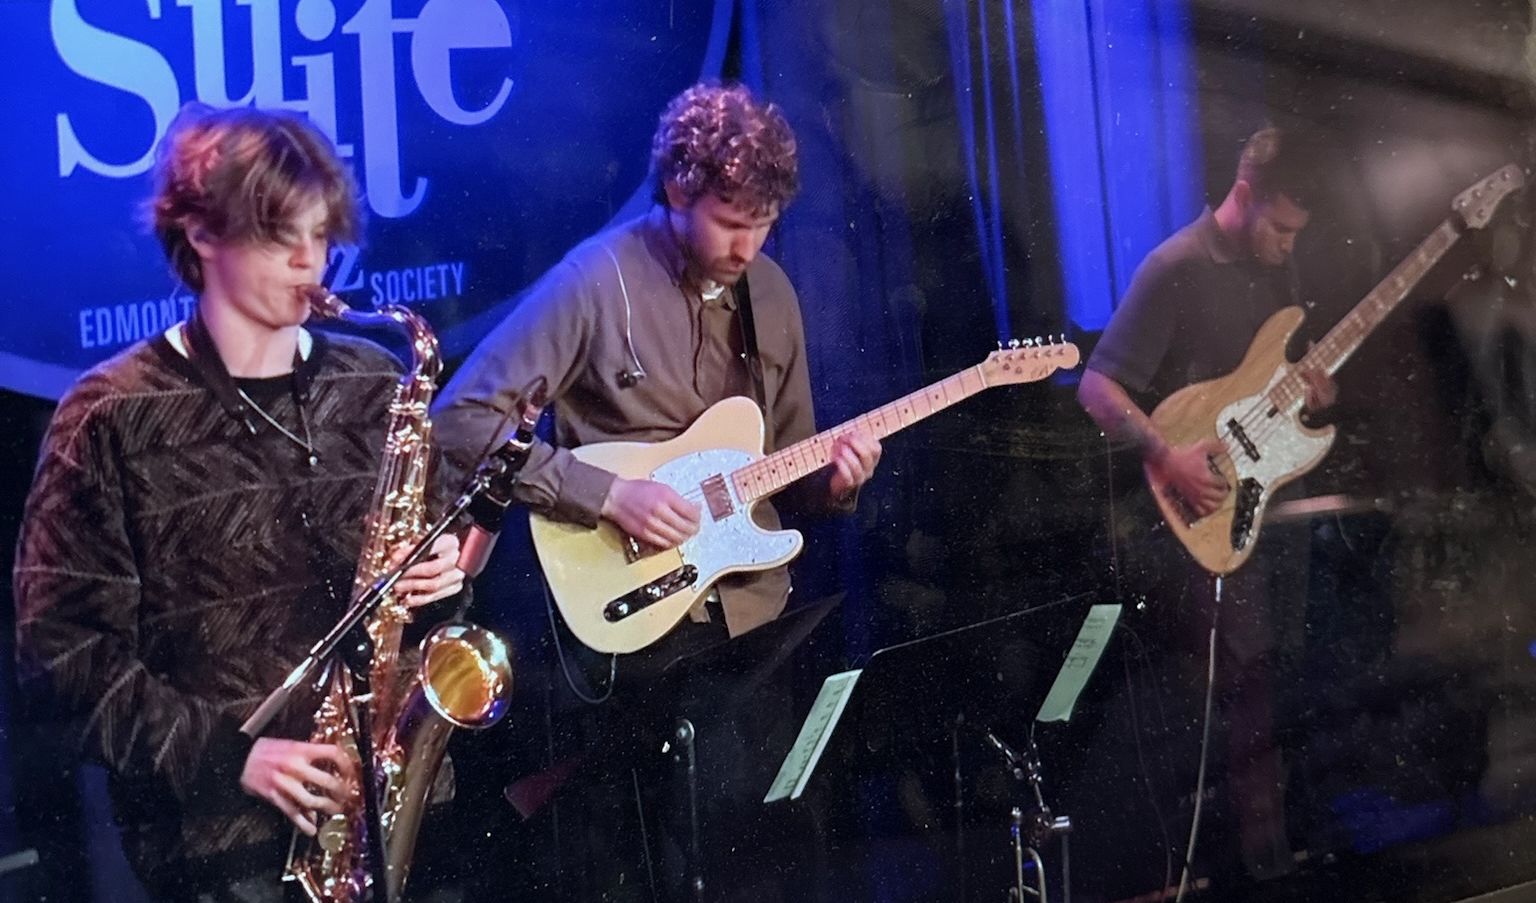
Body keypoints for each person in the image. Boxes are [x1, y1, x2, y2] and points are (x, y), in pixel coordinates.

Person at [431, 81, 881, 898]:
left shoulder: (773, 294)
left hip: (753, 624)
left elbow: (787, 472)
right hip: (637, 630)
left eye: (765, 224)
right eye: (731, 221)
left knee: (763, 861)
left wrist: (837, 480)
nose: (749, 246)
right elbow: (461, 420)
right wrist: (602, 493)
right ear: (677, 187)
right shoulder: (594, 279)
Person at [13, 104, 465, 902]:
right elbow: (61, 658)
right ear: (199, 232)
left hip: (399, 823)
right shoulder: (110, 415)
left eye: (321, 233)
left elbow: (426, 590)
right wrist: (233, 755)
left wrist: (439, 572)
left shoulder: (372, 382)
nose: (311, 260)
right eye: (278, 233)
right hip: (222, 851)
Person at [1076, 127, 1336, 883]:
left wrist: (1312, 393)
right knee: (1233, 697)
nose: (1288, 244)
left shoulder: (1275, 269)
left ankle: (1277, 859)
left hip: (1267, 507)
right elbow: (1097, 387)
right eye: (1280, 227)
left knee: (1275, 689)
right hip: (1198, 516)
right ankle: (1239, 867)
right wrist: (1166, 454)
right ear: (1244, 194)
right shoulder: (1176, 265)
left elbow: (1261, 386)